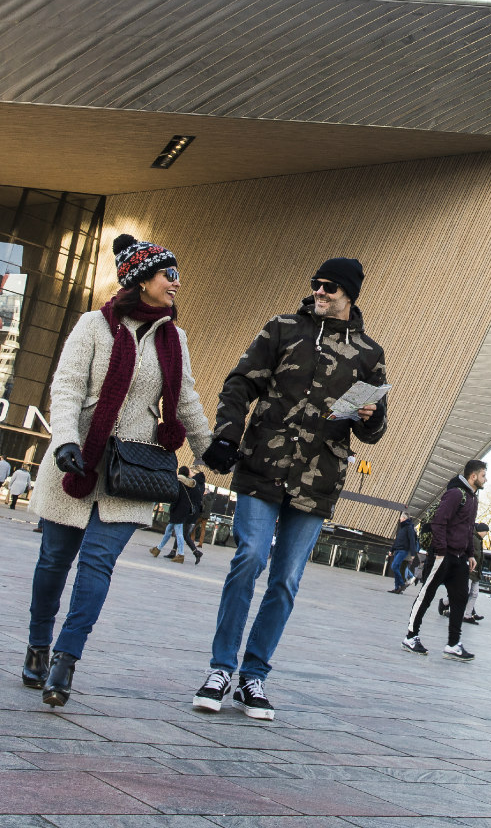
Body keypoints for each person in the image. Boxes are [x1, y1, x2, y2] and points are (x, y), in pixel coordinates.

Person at [194, 257, 388, 720]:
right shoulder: (282, 329)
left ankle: (254, 676)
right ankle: (220, 669)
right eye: (316, 284)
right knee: (249, 558)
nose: (319, 291)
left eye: (330, 287)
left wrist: (372, 417)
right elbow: (240, 383)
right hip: (262, 465)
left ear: (349, 295)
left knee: (286, 580)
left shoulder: (369, 353)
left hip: (318, 481)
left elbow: (374, 431)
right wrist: (227, 434)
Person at [24, 234, 212, 707]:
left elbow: (185, 399)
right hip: (77, 460)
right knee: (54, 560)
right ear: (142, 279)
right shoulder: (93, 325)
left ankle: (66, 659)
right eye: (170, 274)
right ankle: (38, 645)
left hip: (133, 469)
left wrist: (212, 450)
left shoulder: (175, 338)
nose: (177, 283)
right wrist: (65, 440)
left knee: (97, 563)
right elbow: (67, 387)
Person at [404, 460, 483, 661]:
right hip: (443, 555)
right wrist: (440, 550)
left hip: (460, 558)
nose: (485, 479)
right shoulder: (456, 494)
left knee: (460, 598)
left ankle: (453, 644)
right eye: (483, 475)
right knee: (427, 595)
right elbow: (439, 521)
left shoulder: (473, 498)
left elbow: (468, 529)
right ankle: (411, 637)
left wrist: (470, 554)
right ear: (473, 476)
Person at [152, 468, 203, 564]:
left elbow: (175, 497)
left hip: (177, 510)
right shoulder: (192, 484)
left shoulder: (178, 482)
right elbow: (197, 498)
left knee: (179, 533)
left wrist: (172, 509)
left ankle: (181, 554)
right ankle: (158, 549)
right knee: (168, 530)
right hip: (185, 510)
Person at [388, 512, 419, 593]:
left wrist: (413, 553)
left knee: (394, 566)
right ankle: (397, 588)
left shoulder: (409, 528)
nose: (400, 519)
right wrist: (392, 549)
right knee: (396, 567)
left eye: (401, 517)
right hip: (398, 550)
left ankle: (402, 584)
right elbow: (397, 540)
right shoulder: (402, 527)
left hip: (403, 550)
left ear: (404, 518)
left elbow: (412, 540)